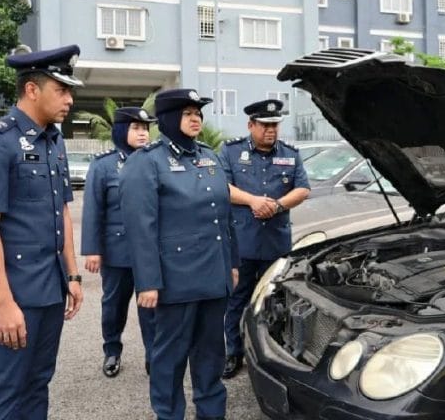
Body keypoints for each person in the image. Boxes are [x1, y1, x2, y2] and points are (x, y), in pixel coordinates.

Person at [0, 45, 85, 420]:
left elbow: (61, 209)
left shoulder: (53, 140)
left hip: (50, 288)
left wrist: (73, 274)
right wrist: (2, 303)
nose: (70, 98)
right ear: (32, 90)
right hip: (14, 292)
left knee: (37, 383)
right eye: (61, 90)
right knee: (5, 391)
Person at [119, 89, 238, 420]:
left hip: (214, 278)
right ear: (170, 118)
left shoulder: (209, 156)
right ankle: (168, 414)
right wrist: (147, 283)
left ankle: (211, 414)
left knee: (212, 355)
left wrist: (233, 263)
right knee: (169, 359)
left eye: (198, 112)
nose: (196, 118)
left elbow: (225, 216)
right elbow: (140, 229)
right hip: (175, 282)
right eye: (188, 113)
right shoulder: (146, 162)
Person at [220, 99, 310, 379]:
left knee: (275, 300)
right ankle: (233, 352)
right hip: (242, 243)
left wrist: (278, 205)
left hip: (275, 244)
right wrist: (254, 201)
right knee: (236, 300)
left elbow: (303, 189)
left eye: (275, 125)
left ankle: (271, 355)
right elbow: (221, 187)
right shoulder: (231, 151)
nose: (271, 130)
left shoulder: (290, 154)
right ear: (251, 125)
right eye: (265, 125)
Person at [81, 107, 157, 378]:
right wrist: (92, 249)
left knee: (152, 306)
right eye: (137, 128)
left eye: (146, 128)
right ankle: (112, 349)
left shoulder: (156, 160)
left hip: (151, 252)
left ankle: (154, 355)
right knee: (114, 305)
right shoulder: (104, 165)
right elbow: (93, 210)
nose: (143, 134)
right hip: (117, 252)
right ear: (121, 131)